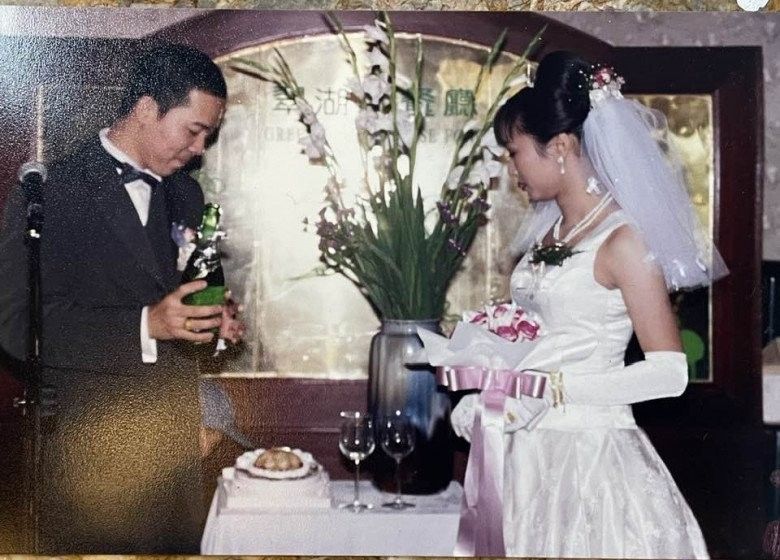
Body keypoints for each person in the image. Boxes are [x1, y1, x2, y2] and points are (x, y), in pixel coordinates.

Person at [435, 51, 728, 559]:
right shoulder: (551, 233)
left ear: (561, 147)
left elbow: (669, 373)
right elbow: (541, 338)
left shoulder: (622, 241)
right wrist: (493, 388)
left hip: (592, 457)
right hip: (530, 458)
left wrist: (550, 390)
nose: (512, 168)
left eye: (515, 152)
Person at [0, 41, 243, 553]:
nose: (201, 149)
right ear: (147, 108)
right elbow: (16, 324)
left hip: (178, 457)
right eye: (194, 130)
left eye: (209, 135)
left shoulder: (187, 194)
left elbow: (177, 309)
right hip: (91, 463)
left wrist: (210, 323)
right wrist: (144, 325)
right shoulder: (49, 191)